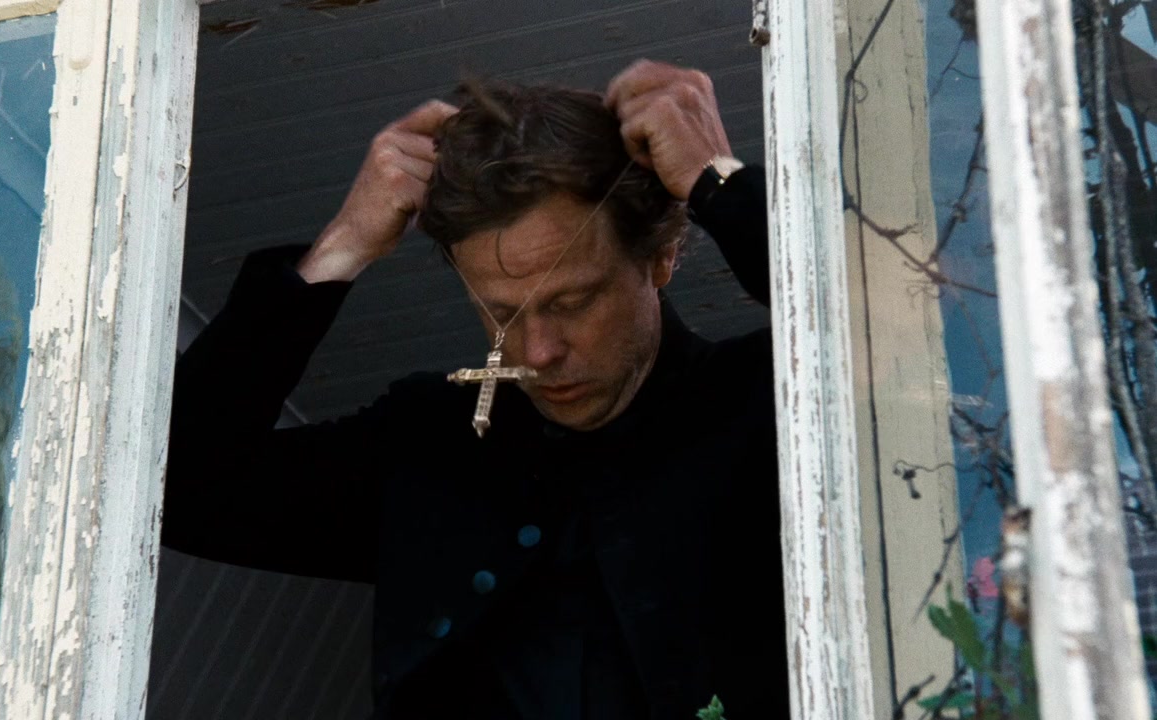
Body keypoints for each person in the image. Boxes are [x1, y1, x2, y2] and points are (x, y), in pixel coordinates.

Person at [162, 59, 785, 719]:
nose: (537, 353)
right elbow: (176, 494)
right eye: (500, 312)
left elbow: (870, 329)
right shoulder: (427, 444)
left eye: (573, 301)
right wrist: (340, 247)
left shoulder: (776, 404)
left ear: (661, 255)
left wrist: (722, 187)